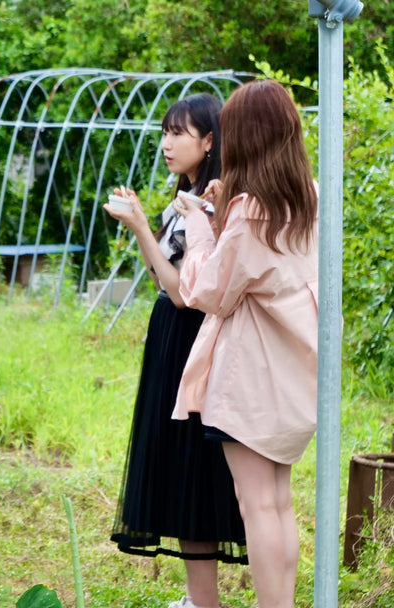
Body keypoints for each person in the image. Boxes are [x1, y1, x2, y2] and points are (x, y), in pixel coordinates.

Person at [173, 80, 319, 608]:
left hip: (252, 376)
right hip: (297, 370)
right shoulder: (310, 199)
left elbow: (205, 290)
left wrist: (199, 226)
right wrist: (224, 212)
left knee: (256, 504)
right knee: (279, 503)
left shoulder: (250, 214)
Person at [105, 94, 247, 608]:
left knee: (193, 469)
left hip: (190, 337)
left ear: (209, 141)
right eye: (165, 132)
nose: (167, 143)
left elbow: (183, 292)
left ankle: (202, 601)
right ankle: (197, 597)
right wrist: (147, 224)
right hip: (174, 336)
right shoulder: (186, 198)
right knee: (186, 468)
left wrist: (141, 226)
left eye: (179, 133)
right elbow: (166, 281)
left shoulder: (209, 205)